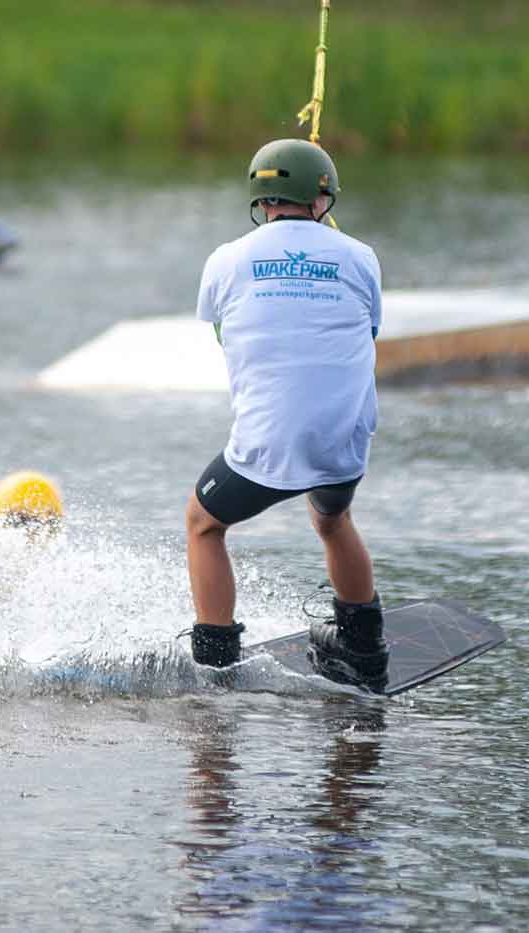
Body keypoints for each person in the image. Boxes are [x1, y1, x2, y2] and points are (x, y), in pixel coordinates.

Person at [184, 138, 389, 693]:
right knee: (331, 520)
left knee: (204, 524)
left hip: (265, 447)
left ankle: (216, 660)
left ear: (261, 199)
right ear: (323, 198)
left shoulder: (225, 259)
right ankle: (364, 648)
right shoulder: (361, 256)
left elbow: (224, 333)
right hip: (343, 444)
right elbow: (366, 333)